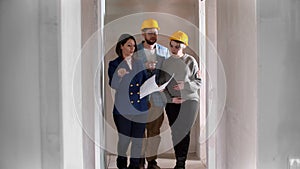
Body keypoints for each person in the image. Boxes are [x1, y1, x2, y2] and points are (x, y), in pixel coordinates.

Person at [159, 31, 202, 169]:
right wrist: (171, 99)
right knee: (176, 131)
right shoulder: (166, 63)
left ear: (184, 46)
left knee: (184, 131)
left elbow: (199, 82)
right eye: (172, 46)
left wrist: (185, 85)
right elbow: (161, 86)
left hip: (190, 101)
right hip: (172, 102)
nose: (174, 49)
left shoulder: (191, 61)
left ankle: (181, 163)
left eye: (177, 46)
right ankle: (179, 159)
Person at [108, 34, 149, 169]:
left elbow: (145, 82)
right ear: (121, 46)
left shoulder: (139, 63)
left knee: (137, 141)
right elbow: (113, 85)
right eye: (128, 45)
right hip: (123, 109)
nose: (132, 48)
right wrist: (118, 76)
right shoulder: (114, 64)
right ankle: (121, 164)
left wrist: (155, 84)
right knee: (124, 141)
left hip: (140, 108)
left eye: (133, 46)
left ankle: (134, 166)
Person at [135, 18, 170, 169]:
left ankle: (151, 161)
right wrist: (144, 67)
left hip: (157, 99)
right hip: (140, 97)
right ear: (143, 34)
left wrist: (164, 84)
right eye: (149, 33)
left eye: (155, 33)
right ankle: (140, 160)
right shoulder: (135, 51)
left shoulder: (164, 51)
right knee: (139, 131)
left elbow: (169, 71)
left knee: (154, 132)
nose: (152, 36)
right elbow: (129, 72)